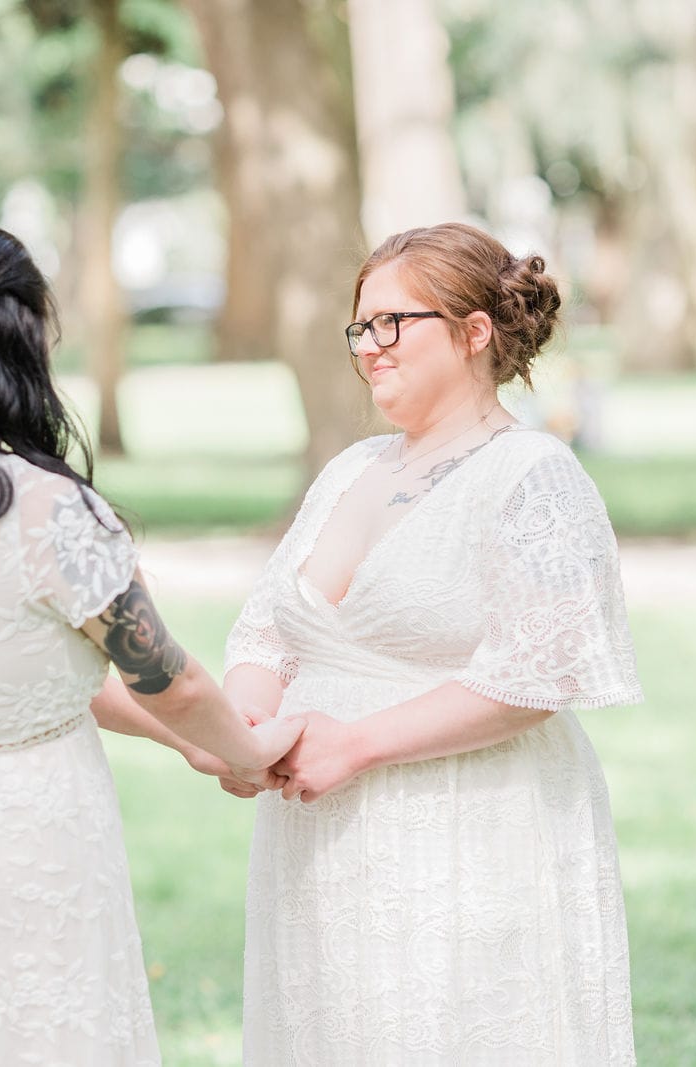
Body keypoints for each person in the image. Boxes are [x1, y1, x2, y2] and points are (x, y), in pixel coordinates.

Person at [0, 223, 303, 1065]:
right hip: (27, 830)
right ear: (17, 339)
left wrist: (193, 746)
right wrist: (245, 747)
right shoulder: (46, 509)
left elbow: (33, 680)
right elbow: (165, 677)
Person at [218, 222, 643, 1065]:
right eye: (360, 327)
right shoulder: (350, 469)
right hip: (319, 838)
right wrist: (244, 732)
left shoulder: (533, 476)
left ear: (474, 331)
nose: (370, 347)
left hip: (468, 829)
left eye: (392, 323)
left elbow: (535, 675)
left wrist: (357, 743)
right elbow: (267, 628)